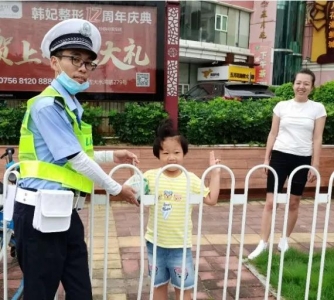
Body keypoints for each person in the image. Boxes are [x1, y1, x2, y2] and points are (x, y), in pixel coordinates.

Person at [13, 19, 139, 300]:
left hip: (64, 212)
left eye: (88, 63)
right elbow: (76, 159)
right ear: (54, 62)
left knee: (80, 290)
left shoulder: (69, 104)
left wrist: (111, 154)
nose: (83, 68)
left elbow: (69, 157)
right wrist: (117, 189)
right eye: (75, 59)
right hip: (39, 215)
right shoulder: (48, 105)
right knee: (40, 293)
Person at [248, 68, 327, 260]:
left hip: (302, 158)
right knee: (270, 202)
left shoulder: (317, 109)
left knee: (294, 202)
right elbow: (273, 134)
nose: (302, 87)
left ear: (312, 87)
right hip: (280, 156)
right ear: (293, 84)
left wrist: (314, 165)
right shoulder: (281, 106)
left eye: (306, 84)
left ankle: (284, 239)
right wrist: (266, 159)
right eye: (299, 82)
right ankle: (263, 243)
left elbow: (317, 138)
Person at [143, 119, 221, 300]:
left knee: (183, 289)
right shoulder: (151, 177)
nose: (172, 157)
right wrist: (132, 171)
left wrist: (215, 172)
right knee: (158, 286)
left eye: (177, 152)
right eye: (166, 153)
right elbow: (136, 193)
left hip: (180, 246)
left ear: (184, 153)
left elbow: (212, 199)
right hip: (155, 243)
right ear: (158, 155)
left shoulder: (190, 179)